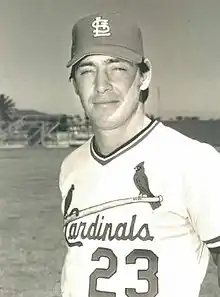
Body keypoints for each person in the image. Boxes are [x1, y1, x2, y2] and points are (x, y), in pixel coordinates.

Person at [59, 12, 220, 297]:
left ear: (144, 76)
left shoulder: (195, 162)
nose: (101, 85)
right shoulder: (71, 167)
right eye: (87, 70)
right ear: (74, 84)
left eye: (117, 67)